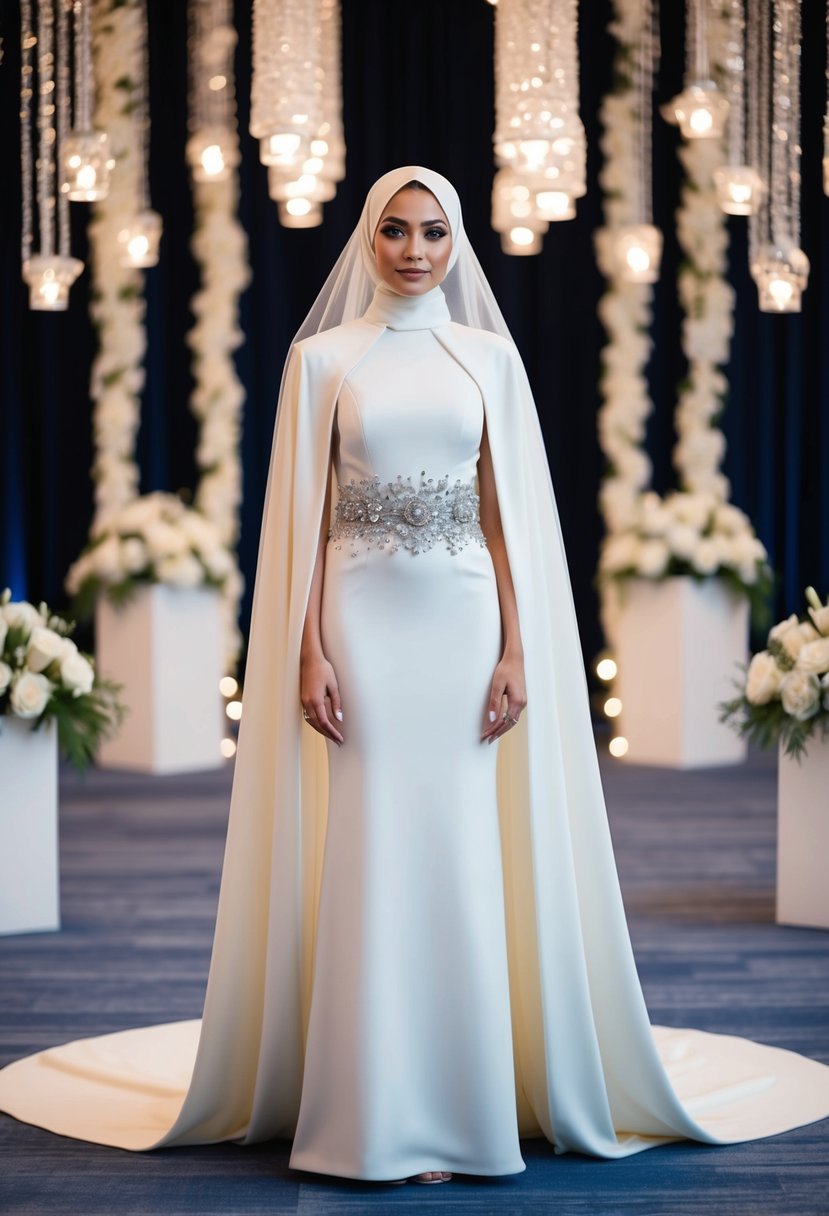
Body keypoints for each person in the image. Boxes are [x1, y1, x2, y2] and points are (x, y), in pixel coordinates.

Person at [0, 166, 828, 1186]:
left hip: (467, 622)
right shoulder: (321, 362)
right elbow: (302, 525)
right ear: (368, 239)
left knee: (458, 842)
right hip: (360, 623)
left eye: (433, 232)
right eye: (394, 231)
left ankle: (457, 1101)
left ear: (455, 241)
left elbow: (505, 520)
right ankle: (371, 1105)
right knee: (373, 838)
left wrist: (517, 648)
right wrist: (307, 647)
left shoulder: (488, 360)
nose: (413, 250)